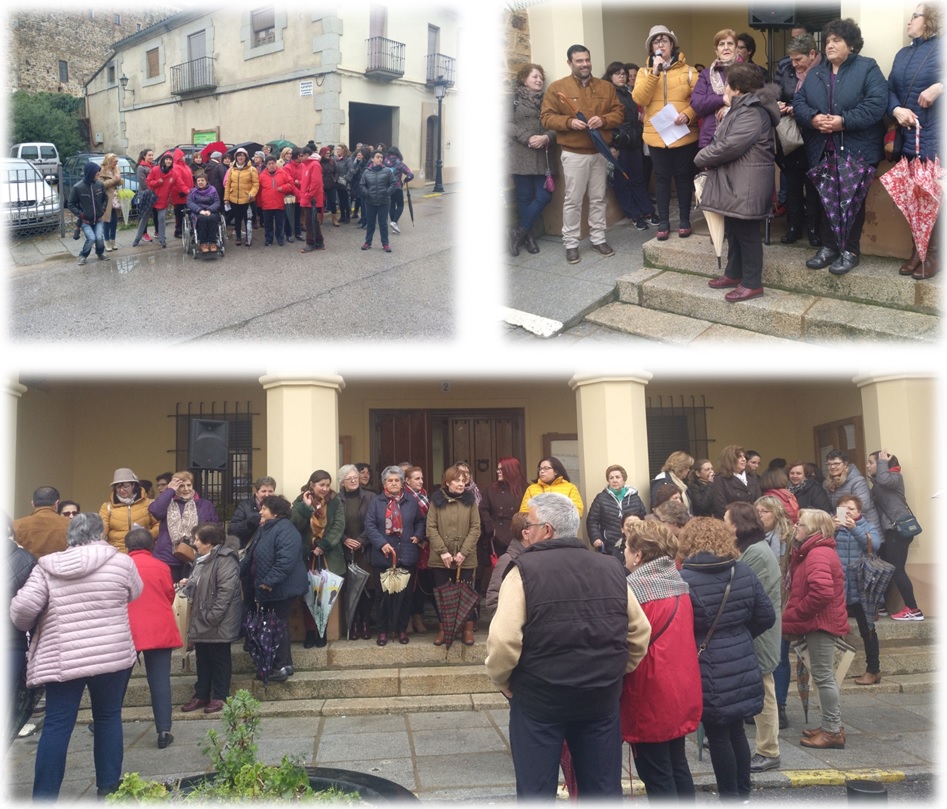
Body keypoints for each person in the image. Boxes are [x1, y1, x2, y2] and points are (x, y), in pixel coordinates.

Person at [485, 492, 651, 800]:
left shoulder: (523, 571)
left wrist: (502, 680)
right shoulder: (612, 568)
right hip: (600, 696)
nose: (526, 532)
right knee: (602, 789)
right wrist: (617, 670)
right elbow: (640, 631)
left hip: (540, 698)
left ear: (546, 530)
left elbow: (503, 640)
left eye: (529, 526)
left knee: (536, 791)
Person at [11, 513, 142, 799]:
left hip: (63, 657)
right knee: (108, 717)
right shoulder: (122, 562)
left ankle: (44, 796)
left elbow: (22, 612)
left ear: (71, 535)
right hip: (111, 655)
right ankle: (108, 788)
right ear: (100, 534)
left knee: (57, 724)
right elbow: (135, 593)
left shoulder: (46, 567)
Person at [677, 517, 775, 800]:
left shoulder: (685, 579)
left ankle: (729, 798)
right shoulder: (742, 571)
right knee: (736, 732)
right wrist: (740, 636)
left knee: (718, 734)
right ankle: (742, 796)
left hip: (706, 663)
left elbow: (681, 627)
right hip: (742, 658)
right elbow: (766, 616)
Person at [794, 18, 887, 275]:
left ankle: (850, 250)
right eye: (828, 41)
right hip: (823, 148)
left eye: (837, 40)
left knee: (851, 202)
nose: (830, 45)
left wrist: (843, 121)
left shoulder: (867, 67)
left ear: (852, 45)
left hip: (857, 148)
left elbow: (877, 103)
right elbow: (799, 102)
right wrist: (813, 118)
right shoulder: (816, 72)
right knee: (826, 200)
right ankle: (829, 247)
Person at [619, 519, 701, 798]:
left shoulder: (633, 591)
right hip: (680, 687)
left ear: (638, 555)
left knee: (656, 775)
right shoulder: (678, 583)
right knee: (678, 764)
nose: (625, 555)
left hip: (649, 694)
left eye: (627, 549)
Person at [696, 63, 779, 302]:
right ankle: (733, 273)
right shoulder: (743, 107)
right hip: (738, 180)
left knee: (747, 232)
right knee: (733, 230)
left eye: (728, 85)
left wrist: (701, 156)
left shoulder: (752, 111)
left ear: (738, 88)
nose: (725, 89)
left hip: (747, 182)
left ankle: (752, 283)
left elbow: (731, 145)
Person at [541, 43, 624, 264]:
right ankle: (571, 243)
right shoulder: (558, 88)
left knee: (599, 198)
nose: (585, 64)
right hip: (573, 152)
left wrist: (604, 120)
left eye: (587, 60)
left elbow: (619, 113)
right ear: (570, 63)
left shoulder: (606, 87)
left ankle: (598, 238)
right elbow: (546, 117)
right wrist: (569, 122)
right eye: (579, 61)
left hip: (600, 152)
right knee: (573, 200)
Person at [783, 509, 850, 750]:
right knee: (824, 677)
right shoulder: (817, 551)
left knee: (823, 677)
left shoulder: (818, 554)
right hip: (819, 621)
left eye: (800, 525)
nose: (795, 528)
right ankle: (831, 725)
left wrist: (798, 613)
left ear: (814, 530)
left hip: (820, 623)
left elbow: (822, 592)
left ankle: (832, 731)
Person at [724, 502, 783, 773]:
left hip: (761, 634)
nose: (723, 524)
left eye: (726, 520)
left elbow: (740, 590)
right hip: (757, 631)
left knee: (764, 689)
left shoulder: (756, 553)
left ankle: (768, 750)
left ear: (737, 524)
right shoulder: (752, 549)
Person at [887, 3, 942, 279]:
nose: (909, 20)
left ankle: (932, 256)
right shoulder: (902, 53)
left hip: (935, 137)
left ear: (929, 20)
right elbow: (890, 90)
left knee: (932, 198)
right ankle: (917, 252)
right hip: (908, 137)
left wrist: (940, 86)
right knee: (913, 198)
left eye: (915, 15)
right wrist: (896, 109)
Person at [632, 25, 699, 241]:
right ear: (651, 48)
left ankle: (685, 220)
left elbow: (699, 101)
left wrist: (688, 114)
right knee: (661, 178)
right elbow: (640, 99)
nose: (660, 44)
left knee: (683, 177)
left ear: (672, 45)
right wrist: (654, 72)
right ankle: (663, 223)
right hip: (656, 135)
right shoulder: (644, 73)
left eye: (664, 40)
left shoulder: (689, 71)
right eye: (656, 41)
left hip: (683, 134)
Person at [125, 526, 182, 748]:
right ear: (152, 545)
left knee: (118, 680)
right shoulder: (162, 566)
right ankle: (163, 730)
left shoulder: (121, 567)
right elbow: (169, 594)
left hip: (127, 629)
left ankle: (103, 720)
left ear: (127, 546)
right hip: (159, 627)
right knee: (160, 681)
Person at [241, 495, 308, 681]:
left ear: (276, 512)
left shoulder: (286, 530)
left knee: (277, 625)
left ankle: (280, 667)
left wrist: (269, 581)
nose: (260, 511)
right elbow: (252, 556)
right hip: (267, 588)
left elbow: (285, 561)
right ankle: (282, 665)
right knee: (276, 625)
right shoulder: (266, 529)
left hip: (280, 588)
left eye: (264, 508)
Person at [179, 522, 242, 712]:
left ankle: (220, 695)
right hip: (203, 618)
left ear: (209, 542)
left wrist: (212, 616)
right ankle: (201, 694)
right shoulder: (201, 559)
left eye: (197, 539)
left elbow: (225, 591)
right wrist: (189, 583)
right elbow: (201, 583)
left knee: (219, 658)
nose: (194, 543)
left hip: (217, 620)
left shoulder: (225, 560)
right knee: (202, 658)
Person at [365, 466, 426, 646]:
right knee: (382, 596)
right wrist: (381, 543)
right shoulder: (376, 502)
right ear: (384, 483)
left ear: (402, 483)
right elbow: (370, 526)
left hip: (406, 554)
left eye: (397, 480)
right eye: (390, 480)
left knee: (405, 596)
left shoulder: (411, 502)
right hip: (383, 556)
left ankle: (401, 630)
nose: (393, 483)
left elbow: (420, 521)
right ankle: (383, 631)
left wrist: (418, 534)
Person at [776, 34, 824, 246]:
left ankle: (814, 228)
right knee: (793, 182)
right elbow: (777, 93)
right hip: (791, 135)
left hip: (815, 135)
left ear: (812, 54)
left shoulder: (823, 72)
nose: (793, 64)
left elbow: (827, 102)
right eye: (791, 59)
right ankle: (794, 226)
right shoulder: (787, 71)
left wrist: (801, 110)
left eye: (798, 59)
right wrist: (779, 104)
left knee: (814, 184)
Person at [426, 465, 481, 646]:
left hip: (465, 557)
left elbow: (475, 528)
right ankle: (445, 629)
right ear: (447, 482)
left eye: (463, 480)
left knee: (467, 593)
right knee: (443, 595)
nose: (460, 483)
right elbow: (431, 527)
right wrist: (443, 551)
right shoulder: (436, 501)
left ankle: (467, 629)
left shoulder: (470, 501)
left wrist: (463, 552)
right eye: (456, 480)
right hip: (441, 557)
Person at [291, 470, 345, 648]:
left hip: (328, 555)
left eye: (328, 485)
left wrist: (325, 545)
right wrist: (307, 508)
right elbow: (295, 525)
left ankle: (322, 630)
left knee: (325, 595)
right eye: (321, 485)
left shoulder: (335, 501)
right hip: (307, 555)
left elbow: (338, 525)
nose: (325, 489)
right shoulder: (300, 501)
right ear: (312, 484)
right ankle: (310, 632)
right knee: (308, 596)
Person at [868, 450, 924, 620]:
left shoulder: (894, 478)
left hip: (898, 531)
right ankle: (883, 605)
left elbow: (884, 480)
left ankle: (914, 610)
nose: (867, 465)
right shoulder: (879, 483)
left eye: (871, 462)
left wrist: (883, 462)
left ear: (883, 464)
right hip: (889, 531)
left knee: (898, 570)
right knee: (887, 569)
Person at [832, 494, 882, 685]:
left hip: (862, 586)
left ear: (859, 512)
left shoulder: (868, 526)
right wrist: (833, 529)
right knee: (833, 629)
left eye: (851, 508)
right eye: (843, 508)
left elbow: (875, 545)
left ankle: (873, 670)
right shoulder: (833, 525)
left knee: (867, 629)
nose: (847, 512)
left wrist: (855, 529)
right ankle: (834, 670)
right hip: (838, 585)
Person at [755, 494, 794, 729]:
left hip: (783, 602)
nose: (760, 515)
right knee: (763, 655)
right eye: (757, 511)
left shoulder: (788, 538)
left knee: (779, 655)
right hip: (761, 603)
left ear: (776, 513)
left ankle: (779, 705)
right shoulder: (754, 538)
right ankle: (762, 704)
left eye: (765, 511)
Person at [508, 62, 556, 255]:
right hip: (521, 153)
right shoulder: (512, 99)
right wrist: (527, 137)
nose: (539, 80)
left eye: (541, 77)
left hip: (543, 155)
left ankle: (518, 231)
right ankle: (529, 237)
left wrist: (546, 137)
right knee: (524, 198)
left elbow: (556, 125)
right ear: (523, 79)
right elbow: (505, 124)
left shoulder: (548, 100)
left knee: (545, 195)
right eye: (534, 76)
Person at [602, 60, 654, 229]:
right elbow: (607, 122)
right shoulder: (608, 94)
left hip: (634, 143)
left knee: (638, 179)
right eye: (617, 74)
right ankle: (634, 214)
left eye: (623, 74)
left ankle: (647, 210)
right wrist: (612, 145)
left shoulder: (630, 93)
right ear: (610, 76)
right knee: (622, 182)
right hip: (619, 145)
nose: (622, 77)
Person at [149, 471, 220, 584]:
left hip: (196, 558)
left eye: (189, 485)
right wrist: (170, 490)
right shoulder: (167, 503)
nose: (186, 489)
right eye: (181, 486)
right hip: (168, 558)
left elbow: (215, 529)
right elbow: (155, 511)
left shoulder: (204, 505)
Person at [337, 464, 375, 639]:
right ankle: (352, 624)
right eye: (349, 478)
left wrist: (361, 540)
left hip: (365, 550)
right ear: (342, 482)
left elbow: (375, 523)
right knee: (350, 589)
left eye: (355, 478)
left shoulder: (370, 497)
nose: (353, 481)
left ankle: (365, 623)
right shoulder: (336, 500)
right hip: (345, 551)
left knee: (367, 588)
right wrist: (345, 539)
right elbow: (333, 525)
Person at [690, 29, 740, 149]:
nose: (726, 48)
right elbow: (696, 103)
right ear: (716, 51)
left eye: (730, 44)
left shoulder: (748, 71)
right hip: (710, 139)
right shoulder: (706, 74)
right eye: (721, 44)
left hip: (739, 137)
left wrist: (730, 106)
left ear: (737, 48)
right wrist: (722, 99)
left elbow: (755, 99)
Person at [98, 467, 159, 553]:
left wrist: (147, 536)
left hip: (143, 551)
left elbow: (158, 524)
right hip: (116, 553)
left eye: (125, 486)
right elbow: (101, 530)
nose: (122, 490)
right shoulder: (107, 507)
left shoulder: (149, 504)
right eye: (118, 486)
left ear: (133, 485)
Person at [823, 450, 882, 538]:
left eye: (836, 463)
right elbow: (828, 507)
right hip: (844, 531)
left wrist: (841, 518)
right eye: (829, 464)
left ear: (845, 464)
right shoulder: (827, 483)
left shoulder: (857, 480)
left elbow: (863, 505)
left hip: (865, 529)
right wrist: (833, 519)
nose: (832, 467)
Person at [404, 466, 433, 634]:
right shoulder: (404, 497)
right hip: (409, 544)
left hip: (424, 546)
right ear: (407, 481)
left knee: (421, 582)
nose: (421, 481)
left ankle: (418, 617)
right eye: (417, 478)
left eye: (421, 478)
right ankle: (407, 619)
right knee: (409, 584)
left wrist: (423, 537)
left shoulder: (424, 496)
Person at [480, 457, 527, 559]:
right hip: (497, 538)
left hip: (519, 537)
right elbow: (483, 508)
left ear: (510, 470)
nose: (498, 472)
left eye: (501, 469)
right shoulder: (491, 489)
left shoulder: (526, 489)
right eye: (498, 469)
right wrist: (491, 528)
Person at [485, 511, 528, 614]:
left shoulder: (535, 557)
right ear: (526, 533)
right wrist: (508, 621)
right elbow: (493, 599)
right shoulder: (507, 560)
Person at [67, 161, 110, 265]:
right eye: (96, 173)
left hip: (98, 219)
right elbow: (70, 204)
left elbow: (105, 198)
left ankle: (100, 253)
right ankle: (83, 255)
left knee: (99, 238)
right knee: (91, 238)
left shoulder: (99, 185)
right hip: (85, 220)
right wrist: (81, 214)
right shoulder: (78, 187)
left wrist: (103, 209)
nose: (98, 175)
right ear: (90, 173)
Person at [13, 486, 68, 558]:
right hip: (61, 568)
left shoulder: (16, 525)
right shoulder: (70, 525)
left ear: (32, 504)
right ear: (57, 503)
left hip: (29, 568)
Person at [519, 456, 583, 515]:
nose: (542, 471)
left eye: (546, 468)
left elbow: (578, 511)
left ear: (556, 471)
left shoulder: (570, 488)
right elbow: (523, 513)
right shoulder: (531, 489)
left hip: (562, 526)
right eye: (540, 469)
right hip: (538, 526)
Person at [711, 444, 762, 518]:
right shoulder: (720, 478)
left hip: (752, 521)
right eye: (739, 457)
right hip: (732, 522)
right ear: (729, 460)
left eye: (744, 456)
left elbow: (758, 499)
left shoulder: (752, 476)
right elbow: (720, 506)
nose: (744, 459)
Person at [359, 150, 395, 252]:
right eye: (378, 157)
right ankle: (368, 242)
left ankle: (385, 243)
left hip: (384, 202)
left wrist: (387, 192)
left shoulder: (387, 171)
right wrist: (367, 193)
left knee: (383, 224)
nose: (380, 159)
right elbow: (362, 185)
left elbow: (393, 183)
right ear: (372, 159)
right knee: (370, 223)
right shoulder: (366, 172)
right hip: (370, 202)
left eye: (381, 157)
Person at [228, 476, 276, 549]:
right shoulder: (244, 506)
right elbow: (232, 530)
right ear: (256, 492)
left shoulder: (278, 508)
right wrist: (249, 523)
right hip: (250, 551)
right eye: (263, 491)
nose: (267, 495)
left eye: (270, 491)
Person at [224, 147, 259, 247]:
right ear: (236, 157)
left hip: (247, 200)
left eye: (242, 155)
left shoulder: (252, 169)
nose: (240, 157)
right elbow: (228, 185)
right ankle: (238, 237)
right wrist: (226, 198)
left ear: (246, 157)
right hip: (234, 199)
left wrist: (252, 193)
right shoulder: (231, 169)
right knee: (237, 220)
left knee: (248, 219)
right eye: (238, 155)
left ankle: (248, 238)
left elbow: (256, 184)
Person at [256, 155, 292, 246]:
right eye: (269, 164)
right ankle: (268, 239)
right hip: (266, 204)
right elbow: (259, 190)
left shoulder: (282, 173)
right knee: (268, 224)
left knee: (280, 223)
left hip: (279, 203)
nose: (271, 165)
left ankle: (280, 239)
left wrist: (283, 188)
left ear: (276, 163)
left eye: (273, 163)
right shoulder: (262, 176)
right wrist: (259, 203)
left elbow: (290, 184)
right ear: (266, 165)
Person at [145, 152, 177, 249]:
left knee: (161, 219)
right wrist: (157, 182)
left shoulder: (173, 172)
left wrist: (187, 191)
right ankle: (138, 238)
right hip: (152, 198)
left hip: (162, 199)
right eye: (167, 159)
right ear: (163, 160)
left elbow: (178, 183)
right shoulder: (155, 169)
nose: (168, 161)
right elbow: (148, 181)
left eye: (170, 159)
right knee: (144, 219)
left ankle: (162, 240)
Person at [186, 170, 222, 255]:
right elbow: (189, 203)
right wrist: (200, 210)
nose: (200, 182)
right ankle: (203, 243)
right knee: (202, 220)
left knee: (212, 218)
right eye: (198, 181)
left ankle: (213, 242)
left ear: (206, 181)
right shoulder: (193, 191)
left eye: (202, 180)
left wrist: (209, 210)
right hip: (198, 212)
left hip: (211, 211)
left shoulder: (213, 190)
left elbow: (217, 202)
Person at [298, 146, 326, 252]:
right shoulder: (306, 165)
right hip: (308, 197)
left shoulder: (314, 165)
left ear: (307, 155)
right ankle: (319, 242)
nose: (300, 158)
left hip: (311, 198)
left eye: (301, 155)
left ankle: (310, 243)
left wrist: (308, 195)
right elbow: (307, 181)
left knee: (309, 221)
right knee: (313, 220)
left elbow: (316, 183)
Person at [383, 146, 414, 234]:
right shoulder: (399, 163)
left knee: (391, 206)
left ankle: (394, 226)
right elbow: (410, 174)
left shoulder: (384, 161)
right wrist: (406, 180)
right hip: (397, 187)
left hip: (387, 187)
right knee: (400, 205)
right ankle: (394, 222)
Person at [98, 152, 123, 252]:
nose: (116, 163)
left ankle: (113, 240)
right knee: (106, 220)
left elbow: (120, 183)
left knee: (114, 220)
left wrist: (119, 179)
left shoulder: (116, 169)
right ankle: (106, 240)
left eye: (116, 161)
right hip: (106, 198)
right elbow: (101, 185)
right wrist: (113, 179)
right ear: (109, 161)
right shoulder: (101, 170)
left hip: (115, 198)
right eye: (114, 161)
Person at [132, 148, 157, 244]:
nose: (151, 157)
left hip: (154, 193)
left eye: (152, 155)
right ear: (144, 156)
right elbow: (143, 182)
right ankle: (143, 233)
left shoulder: (154, 165)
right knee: (144, 214)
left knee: (155, 213)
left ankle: (157, 231)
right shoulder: (140, 167)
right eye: (149, 155)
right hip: (145, 193)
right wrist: (151, 189)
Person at [169, 148, 194, 240]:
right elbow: (176, 182)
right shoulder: (176, 167)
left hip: (187, 193)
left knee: (187, 213)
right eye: (182, 156)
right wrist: (181, 191)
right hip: (180, 195)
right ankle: (178, 230)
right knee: (179, 214)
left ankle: (185, 228)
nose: (184, 157)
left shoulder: (186, 167)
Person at [319, 146, 340, 226]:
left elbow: (337, 171)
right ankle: (319, 219)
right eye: (327, 153)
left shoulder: (332, 161)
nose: (328, 155)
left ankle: (334, 219)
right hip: (322, 184)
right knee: (321, 202)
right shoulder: (319, 162)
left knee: (332, 202)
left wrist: (335, 179)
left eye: (329, 153)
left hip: (331, 184)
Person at [335, 144, 353, 224]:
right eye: (337, 149)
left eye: (339, 149)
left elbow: (351, 170)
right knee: (340, 200)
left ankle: (347, 216)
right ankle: (342, 216)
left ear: (343, 150)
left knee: (346, 200)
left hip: (345, 182)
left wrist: (346, 178)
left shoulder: (348, 159)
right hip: (338, 182)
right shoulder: (337, 159)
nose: (337, 150)